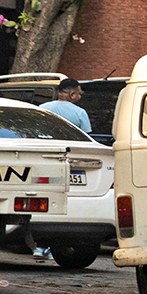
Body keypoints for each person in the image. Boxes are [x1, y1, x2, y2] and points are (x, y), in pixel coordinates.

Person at [35, 78, 91, 260]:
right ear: (72, 94)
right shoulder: (80, 113)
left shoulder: (42, 109)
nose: (80, 97)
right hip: (71, 163)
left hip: (45, 162)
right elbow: (86, 140)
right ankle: (57, 246)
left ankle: (40, 246)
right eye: (79, 93)